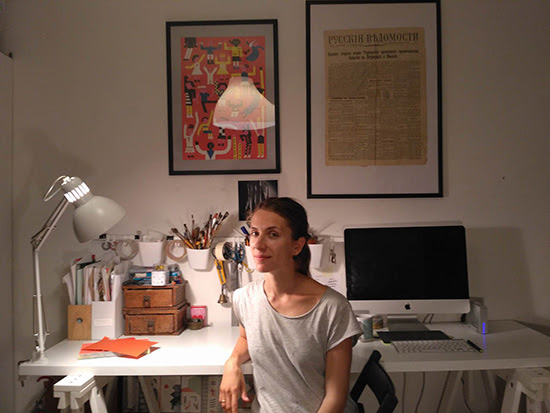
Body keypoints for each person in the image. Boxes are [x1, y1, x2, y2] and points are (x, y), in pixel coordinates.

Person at [219, 197, 362, 413]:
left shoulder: (333, 308)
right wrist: (232, 362)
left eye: (273, 234)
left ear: (297, 246)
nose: (258, 244)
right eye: (255, 233)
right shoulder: (244, 298)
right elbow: (246, 338)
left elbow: (336, 397)